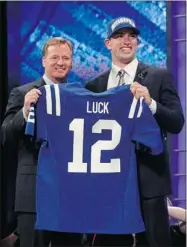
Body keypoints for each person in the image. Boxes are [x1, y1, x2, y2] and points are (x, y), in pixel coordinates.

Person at [85, 17, 184, 247]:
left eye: (131, 36)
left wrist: (150, 103)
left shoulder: (158, 77)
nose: (126, 41)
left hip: (150, 180)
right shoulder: (94, 87)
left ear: (138, 42)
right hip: (108, 184)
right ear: (108, 43)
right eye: (119, 36)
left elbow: (177, 122)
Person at [1, 37, 82, 247]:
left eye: (66, 58)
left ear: (72, 62)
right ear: (44, 61)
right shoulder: (22, 94)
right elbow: (5, 136)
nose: (60, 62)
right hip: (33, 195)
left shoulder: (79, 97)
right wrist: (25, 111)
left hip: (69, 195)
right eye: (55, 57)